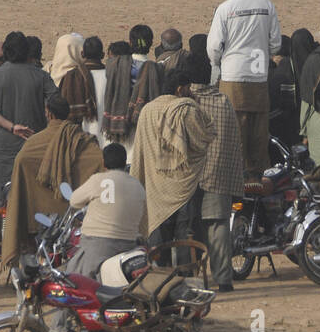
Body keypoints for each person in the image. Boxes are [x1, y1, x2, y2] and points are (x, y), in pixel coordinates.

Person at [0, 93, 102, 268]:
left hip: (38, 218)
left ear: (48, 113)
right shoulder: (83, 140)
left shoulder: (32, 144)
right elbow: (98, 162)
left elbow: (22, 165)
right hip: (75, 217)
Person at [0, 32, 58, 251]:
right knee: (38, 189)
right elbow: (56, 104)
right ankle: (38, 233)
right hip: (35, 143)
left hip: (2, 144)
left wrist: (11, 126)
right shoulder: (40, 76)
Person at [207, 0, 280, 176]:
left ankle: (235, 183)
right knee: (259, 137)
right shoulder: (267, 5)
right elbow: (275, 44)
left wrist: (218, 63)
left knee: (234, 134)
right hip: (259, 78)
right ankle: (259, 181)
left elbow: (213, 47)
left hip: (232, 78)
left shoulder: (224, 9)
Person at [131, 70, 213, 248]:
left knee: (159, 242)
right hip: (185, 188)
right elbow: (203, 141)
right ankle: (185, 273)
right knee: (186, 240)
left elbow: (141, 149)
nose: (191, 92)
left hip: (156, 189)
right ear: (179, 89)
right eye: (188, 88)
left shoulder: (147, 110)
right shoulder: (186, 110)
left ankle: (159, 273)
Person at [186, 51, 243, 290]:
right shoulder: (222, 101)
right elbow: (232, 141)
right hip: (217, 174)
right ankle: (223, 278)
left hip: (187, 177)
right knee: (217, 226)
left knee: (188, 228)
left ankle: (191, 279)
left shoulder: (185, 103)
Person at [67, 141, 147, 277]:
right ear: (124, 161)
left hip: (97, 246)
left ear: (103, 163)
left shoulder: (98, 179)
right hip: (129, 245)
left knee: (73, 281)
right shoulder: (137, 185)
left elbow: (74, 201)